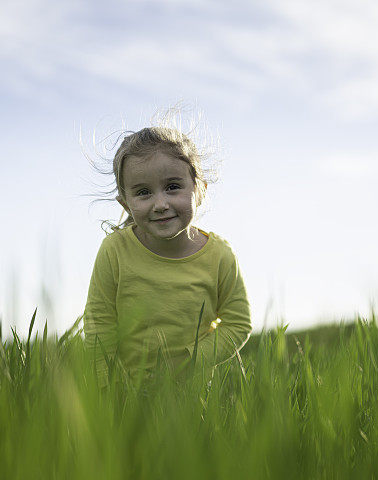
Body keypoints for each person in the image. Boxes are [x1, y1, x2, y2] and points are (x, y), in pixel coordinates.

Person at [83, 125, 252, 385]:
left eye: (173, 187)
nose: (161, 204)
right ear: (126, 203)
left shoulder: (219, 255)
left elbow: (238, 323)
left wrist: (191, 360)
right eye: (143, 192)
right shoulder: (115, 251)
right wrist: (109, 388)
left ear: (199, 190)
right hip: (127, 396)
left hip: (194, 398)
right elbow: (99, 327)